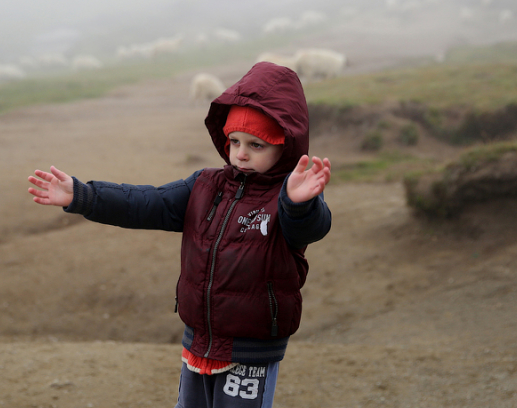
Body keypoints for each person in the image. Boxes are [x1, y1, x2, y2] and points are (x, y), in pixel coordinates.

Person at [27, 61, 331, 407]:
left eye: (256, 145)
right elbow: (146, 202)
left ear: (286, 146)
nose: (241, 154)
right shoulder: (204, 185)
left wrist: (297, 203)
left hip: (251, 348)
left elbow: (311, 227)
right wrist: (83, 196)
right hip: (197, 341)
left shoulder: (291, 196)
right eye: (234, 141)